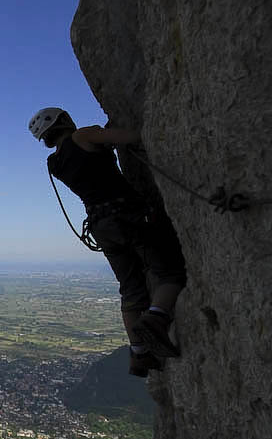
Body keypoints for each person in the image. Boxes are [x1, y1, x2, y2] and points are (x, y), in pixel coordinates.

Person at [28, 107, 187, 377]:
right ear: (64, 120)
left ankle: (138, 354)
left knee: (131, 289)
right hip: (129, 215)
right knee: (170, 273)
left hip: (101, 227)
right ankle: (156, 318)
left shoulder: (54, 164)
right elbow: (132, 136)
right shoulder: (85, 136)